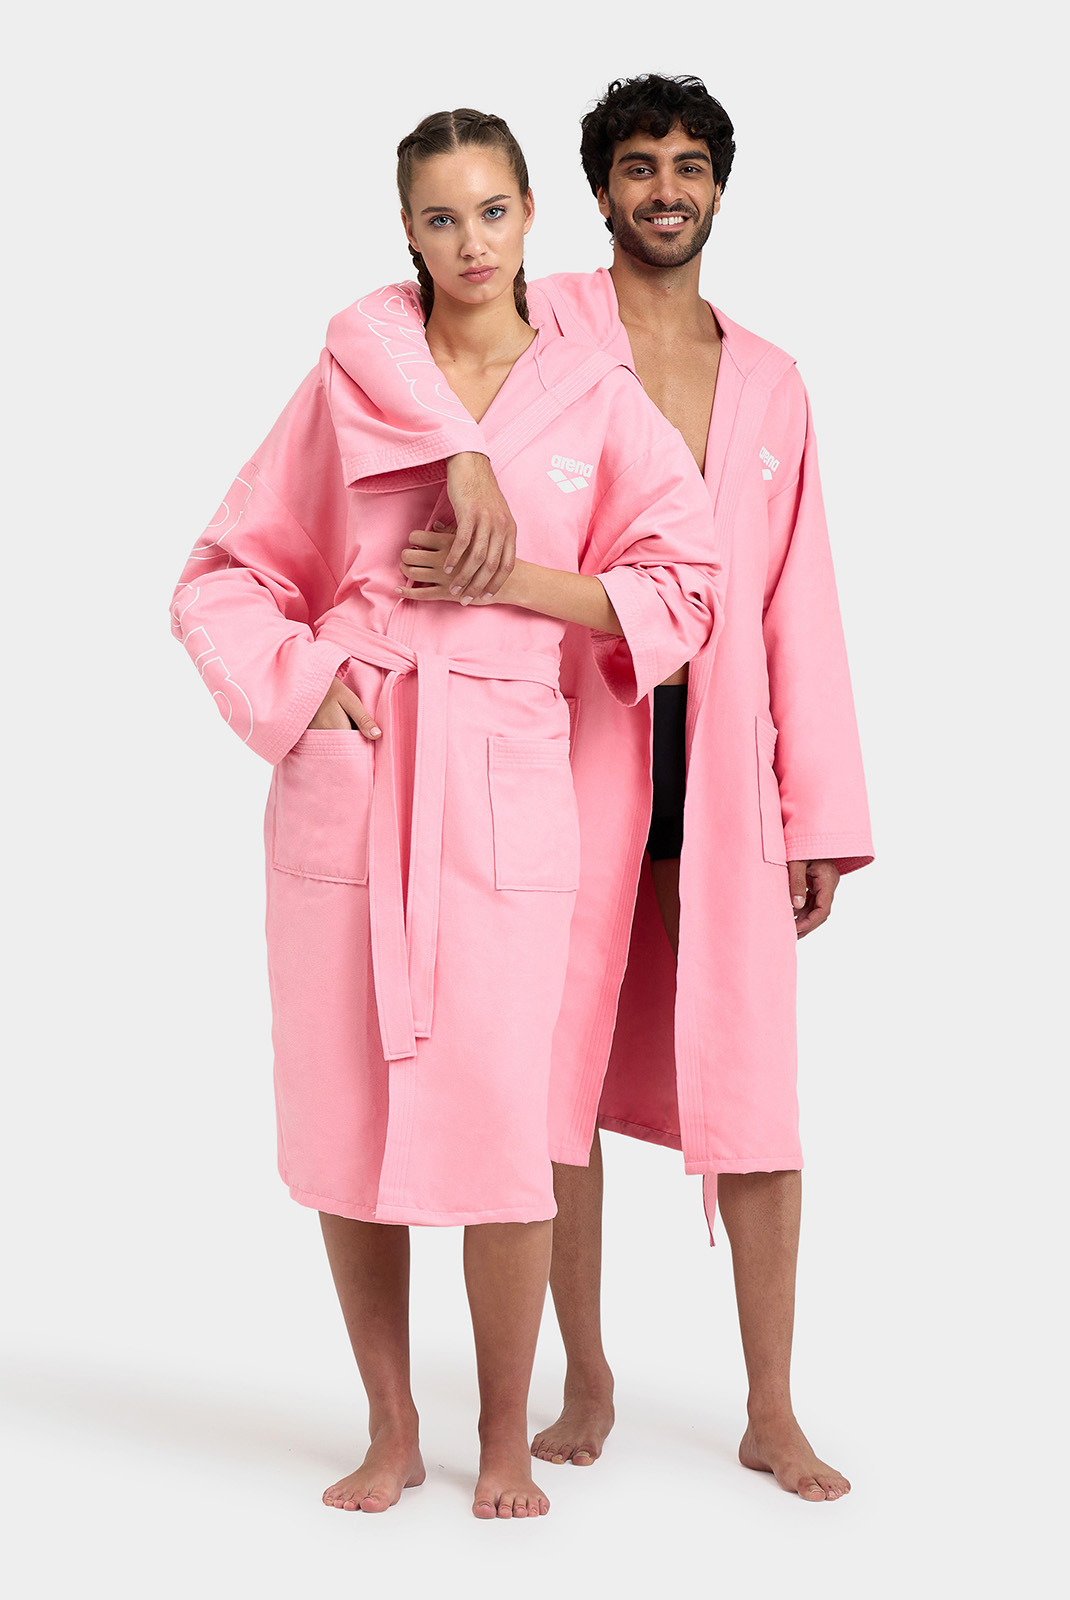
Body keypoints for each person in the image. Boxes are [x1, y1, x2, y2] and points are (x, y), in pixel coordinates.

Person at [170, 107, 722, 1520]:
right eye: (439, 218)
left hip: (505, 779)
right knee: (346, 1109)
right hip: (360, 769)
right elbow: (224, 575)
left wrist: (518, 585)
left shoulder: (593, 395)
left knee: (507, 1121)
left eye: (491, 212)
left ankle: (501, 1438)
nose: (469, 243)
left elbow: (686, 583)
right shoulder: (354, 385)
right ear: (406, 233)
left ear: (532, 217)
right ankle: (391, 1424)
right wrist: (307, 688)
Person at [329, 75, 874, 1503]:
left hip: (726, 757)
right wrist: (461, 453)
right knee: (548, 1071)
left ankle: (771, 1407)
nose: (665, 189)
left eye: (688, 166)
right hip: (563, 741)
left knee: (753, 1082)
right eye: (638, 166)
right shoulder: (543, 320)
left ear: (719, 187)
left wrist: (817, 810)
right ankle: (582, 1378)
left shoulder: (772, 381)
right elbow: (381, 330)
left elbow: (796, 605)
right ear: (595, 192)